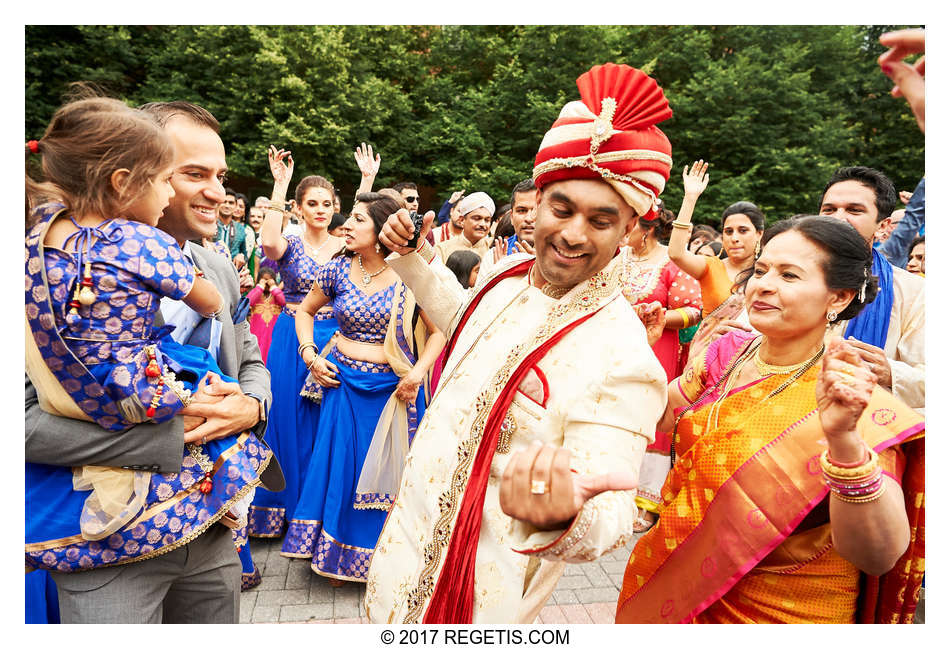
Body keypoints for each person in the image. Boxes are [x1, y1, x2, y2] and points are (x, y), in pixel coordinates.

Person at [367, 62, 671, 624]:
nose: (574, 233)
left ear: (629, 229)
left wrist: (564, 515)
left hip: (481, 598)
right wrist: (411, 260)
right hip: (404, 558)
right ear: (535, 206)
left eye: (601, 220)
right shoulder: (506, 281)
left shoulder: (622, 350)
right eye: (562, 209)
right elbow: (465, 322)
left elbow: (612, 505)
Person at [25, 99, 280, 623]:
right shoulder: (46, 275)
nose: (217, 191)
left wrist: (250, 408)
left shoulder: (216, 269)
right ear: (130, 175)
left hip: (211, 533)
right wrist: (176, 434)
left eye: (221, 175)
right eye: (191, 174)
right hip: (106, 546)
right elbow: (23, 423)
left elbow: (251, 362)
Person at [616, 216, 924, 623]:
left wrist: (845, 442)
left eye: (789, 275)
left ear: (838, 297)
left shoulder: (849, 394)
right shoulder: (727, 352)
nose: (762, 284)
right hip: (681, 592)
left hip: (785, 611)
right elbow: (659, 416)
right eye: (761, 270)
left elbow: (878, 554)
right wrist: (637, 354)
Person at [282, 193, 444, 582]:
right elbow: (304, 311)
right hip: (341, 385)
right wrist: (309, 354)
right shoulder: (337, 270)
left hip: (394, 390)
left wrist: (419, 372)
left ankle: (385, 558)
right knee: (343, 468)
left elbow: (438, 330)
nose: (347, 226)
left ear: (381, 229)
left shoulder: (410, 273)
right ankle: (335, 555)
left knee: (390, 473)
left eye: (358, 220)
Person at [246, 147, 346, 537]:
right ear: (299, 208)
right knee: (287, 417)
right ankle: (282, 507)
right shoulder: (289, 243)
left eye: (327, 203)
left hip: (333, 338)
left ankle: (315, 506)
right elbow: (268, 242)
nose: (320, 210)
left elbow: (364, 229)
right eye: (312, 203)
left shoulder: (342, 245)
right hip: (291, 336)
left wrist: (367, 183)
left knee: (324, 423)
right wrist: (280, 184)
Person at [616, 207, 702, 532]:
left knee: (651, 414)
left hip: (658, 349)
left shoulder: (671, 264)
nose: (624, 233)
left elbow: (695, 311)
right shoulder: (617, 258)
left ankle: (646, 500)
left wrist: (660, 317)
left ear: (647, 230)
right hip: (616, 348)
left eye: (631, 227)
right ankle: (613, 490)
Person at [818, 166, 924, 413]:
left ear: (883, 226)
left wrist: (890, 373)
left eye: (854, 210)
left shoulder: (913, 292)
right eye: (829, 210)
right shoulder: (782, 279)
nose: (838, 218)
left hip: (867, 432)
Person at [434, 191, 493, 263]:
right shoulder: (442, 249)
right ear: (462, 220)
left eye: (487, 220)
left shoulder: (493, 249)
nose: (482, 224)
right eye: (477, 218)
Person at [247, 267, 284, 364]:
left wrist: (274, 287)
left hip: (273, 335)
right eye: (264, 280)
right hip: (257, 334)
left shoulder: (276, 295)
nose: (267, 283)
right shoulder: (256, 294)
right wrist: (259, 287)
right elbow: (249, 302)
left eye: (269, 280)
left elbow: (283, 302)